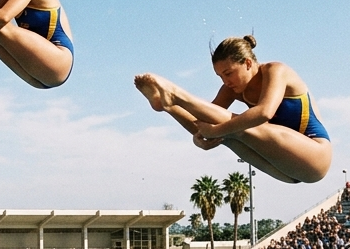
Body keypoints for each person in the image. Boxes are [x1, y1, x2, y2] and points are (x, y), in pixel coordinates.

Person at [133, 35, 331, 184]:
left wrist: (217, 130)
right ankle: (167, 104)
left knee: (236, 127)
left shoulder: (275, 70)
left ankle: (176, 94)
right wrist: (200, 137)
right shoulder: (232, 89)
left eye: (228, 73)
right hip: (286, 171)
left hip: (315, 157)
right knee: (227, 134)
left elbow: (264, 113)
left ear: (247, 63)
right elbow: (202, 123)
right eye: (220, 76)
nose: (225, 81)